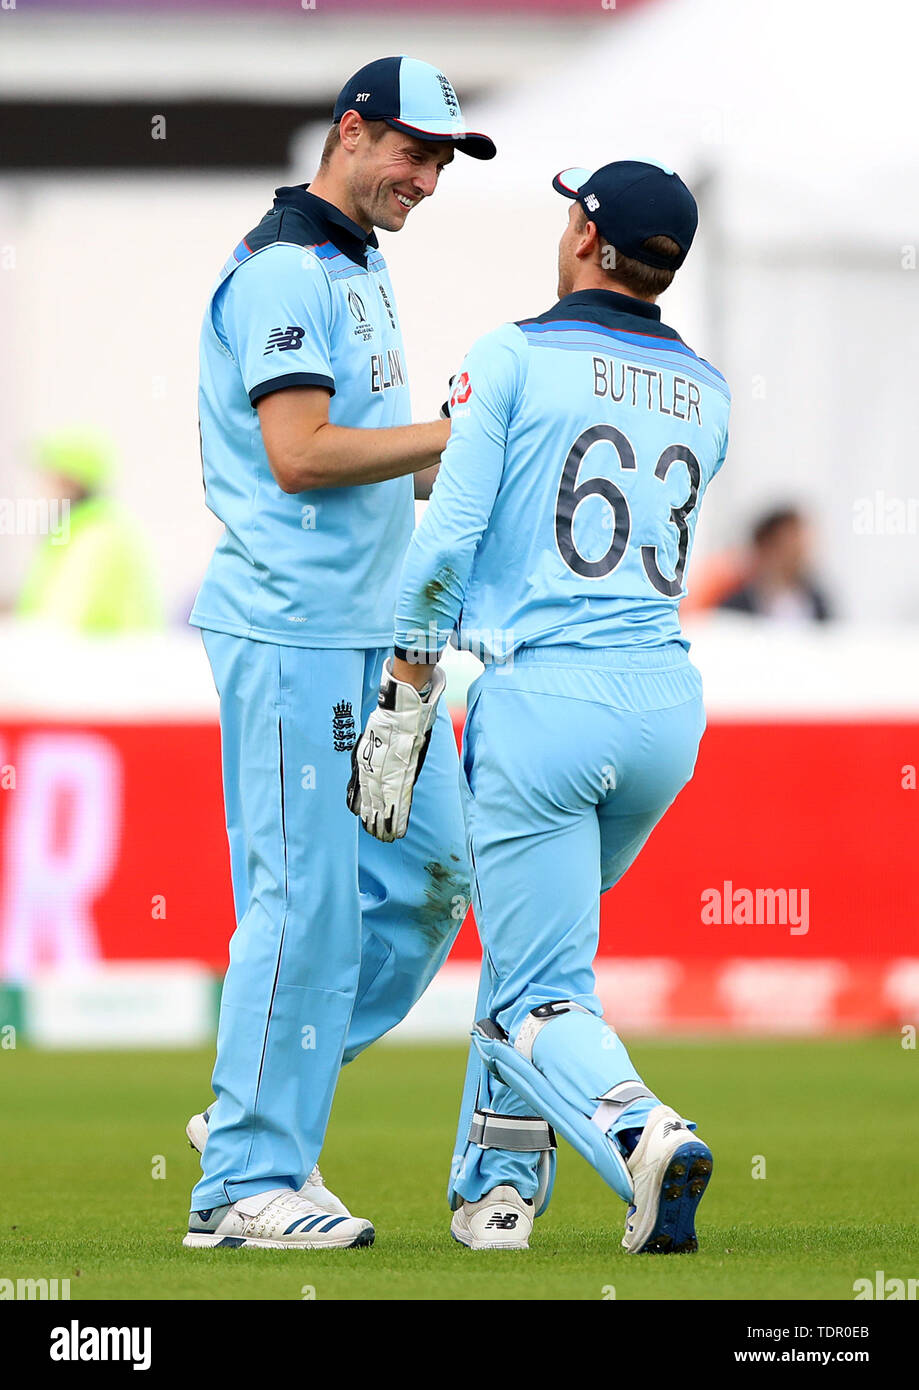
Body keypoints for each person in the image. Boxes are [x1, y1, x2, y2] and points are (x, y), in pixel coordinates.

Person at [350, 160, 730, 1254]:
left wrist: (405, 694)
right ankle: (499, 1192)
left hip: (543, 704)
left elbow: (446, 544)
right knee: (537, 958)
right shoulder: (707, 387)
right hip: (664, 711)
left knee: (534, 987)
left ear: (581, 234)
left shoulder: (509, 354)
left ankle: (639, 1131)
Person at [183, 56, 495, 1252]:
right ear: (351, 131)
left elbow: (388, 457)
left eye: (440, 164)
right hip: (290, 632)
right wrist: (462, 438)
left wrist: (467, 462)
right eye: (411, 153)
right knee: (302, 903)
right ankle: (246, 1181)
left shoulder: (357, 266)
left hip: (378, 641)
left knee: (429, 882)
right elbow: (304, 454)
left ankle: (254, 1099)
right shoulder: (281, 274)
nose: (424, 180)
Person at [17, 430, 163, 634]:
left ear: (71, 481)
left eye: (52, 476)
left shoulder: (99, 536)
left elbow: (62, 623)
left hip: (109, 662)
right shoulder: (74, 531)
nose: (43, 487)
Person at [718, 506, 831, 622]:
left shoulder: (818, 603)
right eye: (788, 545)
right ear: (766, 546)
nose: (797, 552)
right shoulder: (736, 605)